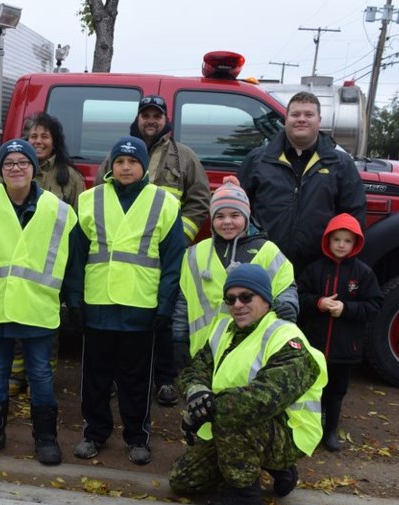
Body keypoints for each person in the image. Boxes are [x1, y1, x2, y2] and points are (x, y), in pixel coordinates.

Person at [169, 263, 326, 505]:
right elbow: (194, 370)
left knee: (234, 414)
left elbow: (264, 399)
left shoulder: (287, 339)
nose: (237, 305)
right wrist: (197, 395)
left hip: (287, 433)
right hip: (243, 429)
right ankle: (272, 468)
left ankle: (246, 497)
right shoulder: (223, 330)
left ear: (265, 299)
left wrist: (205, 412)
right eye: (230, 299)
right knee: (182, 480)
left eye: (246, 297)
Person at [0, 139, 78, 465]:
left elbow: (71, 261)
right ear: (0, 170)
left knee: (40, 373)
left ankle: (45, 439)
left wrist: (72, 300)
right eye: (9, 163)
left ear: (34, 169)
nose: (15, 168)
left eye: (22, 162)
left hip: (36, 307)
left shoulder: (59, 210)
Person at [70, 136, 184, 466]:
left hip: (140, 307)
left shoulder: (163, 203)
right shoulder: (90, 199)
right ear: (111, 165)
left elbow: (173, 260)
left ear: (144, 166)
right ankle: (94, 433)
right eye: (120, 161)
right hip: (99, 305)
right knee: (95, 378)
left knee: (136, 381)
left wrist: (164, 305)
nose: (125, 167)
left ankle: (137, 437)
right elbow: (76, 255)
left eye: (132, 162)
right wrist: (75, 299)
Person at [100, 95, 211, 408]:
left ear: (166, 120)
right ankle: (113, 378)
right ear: (138, 119)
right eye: (145, 115)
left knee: (161, 319)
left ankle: (163, 379)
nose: (150, 121)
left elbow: (200, 200)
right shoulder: (119, 153)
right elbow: (100, 197)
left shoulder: (184, 156)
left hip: (163, 256)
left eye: (156, 116)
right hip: (121, 257)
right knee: (117, 320)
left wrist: (178, 237)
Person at [238, 90, 367, 276]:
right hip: (263, 264)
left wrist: (340, 261)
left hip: (318, 269)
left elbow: (353, 216)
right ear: (286, 119)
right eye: (295, 114)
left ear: (319, 120)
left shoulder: (341, 164)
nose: (301, 119)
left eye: (309, 114)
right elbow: (239, 209)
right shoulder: (258, 160)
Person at [6, 112, 86, 396]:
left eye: (44, 136)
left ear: (55, 141)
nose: (38, 142)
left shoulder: (71, 178)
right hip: (18, 260)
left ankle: (43, 374)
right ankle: (17, 374)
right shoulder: (12, 170)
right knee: (15, 316)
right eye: (33, 136)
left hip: (53, 265)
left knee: (47, 322)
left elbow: (78, 228)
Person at [178, 176, 297, 361]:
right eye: (219, 216)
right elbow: (183, 300)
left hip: (250, 348)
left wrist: (288, 306)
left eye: (235, 215)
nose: (227, 222)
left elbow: (286, 287)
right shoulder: (194, 254)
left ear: (246, 217)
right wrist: (178, 338)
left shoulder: (267, 251)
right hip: (203, 350)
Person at [297, 213, 383, 452]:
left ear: (355, 243)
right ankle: (309, 428)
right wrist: (318, 303)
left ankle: (331, 430)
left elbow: (374, 305)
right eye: (337, 239)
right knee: (312, 389)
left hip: (345, 348)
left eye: (347, 240)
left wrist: (347, 309)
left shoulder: (363, 274)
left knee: (336, 392)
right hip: (314, 344)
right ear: (328, 241)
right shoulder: (314, 270)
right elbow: (298, 297)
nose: (341, 245)